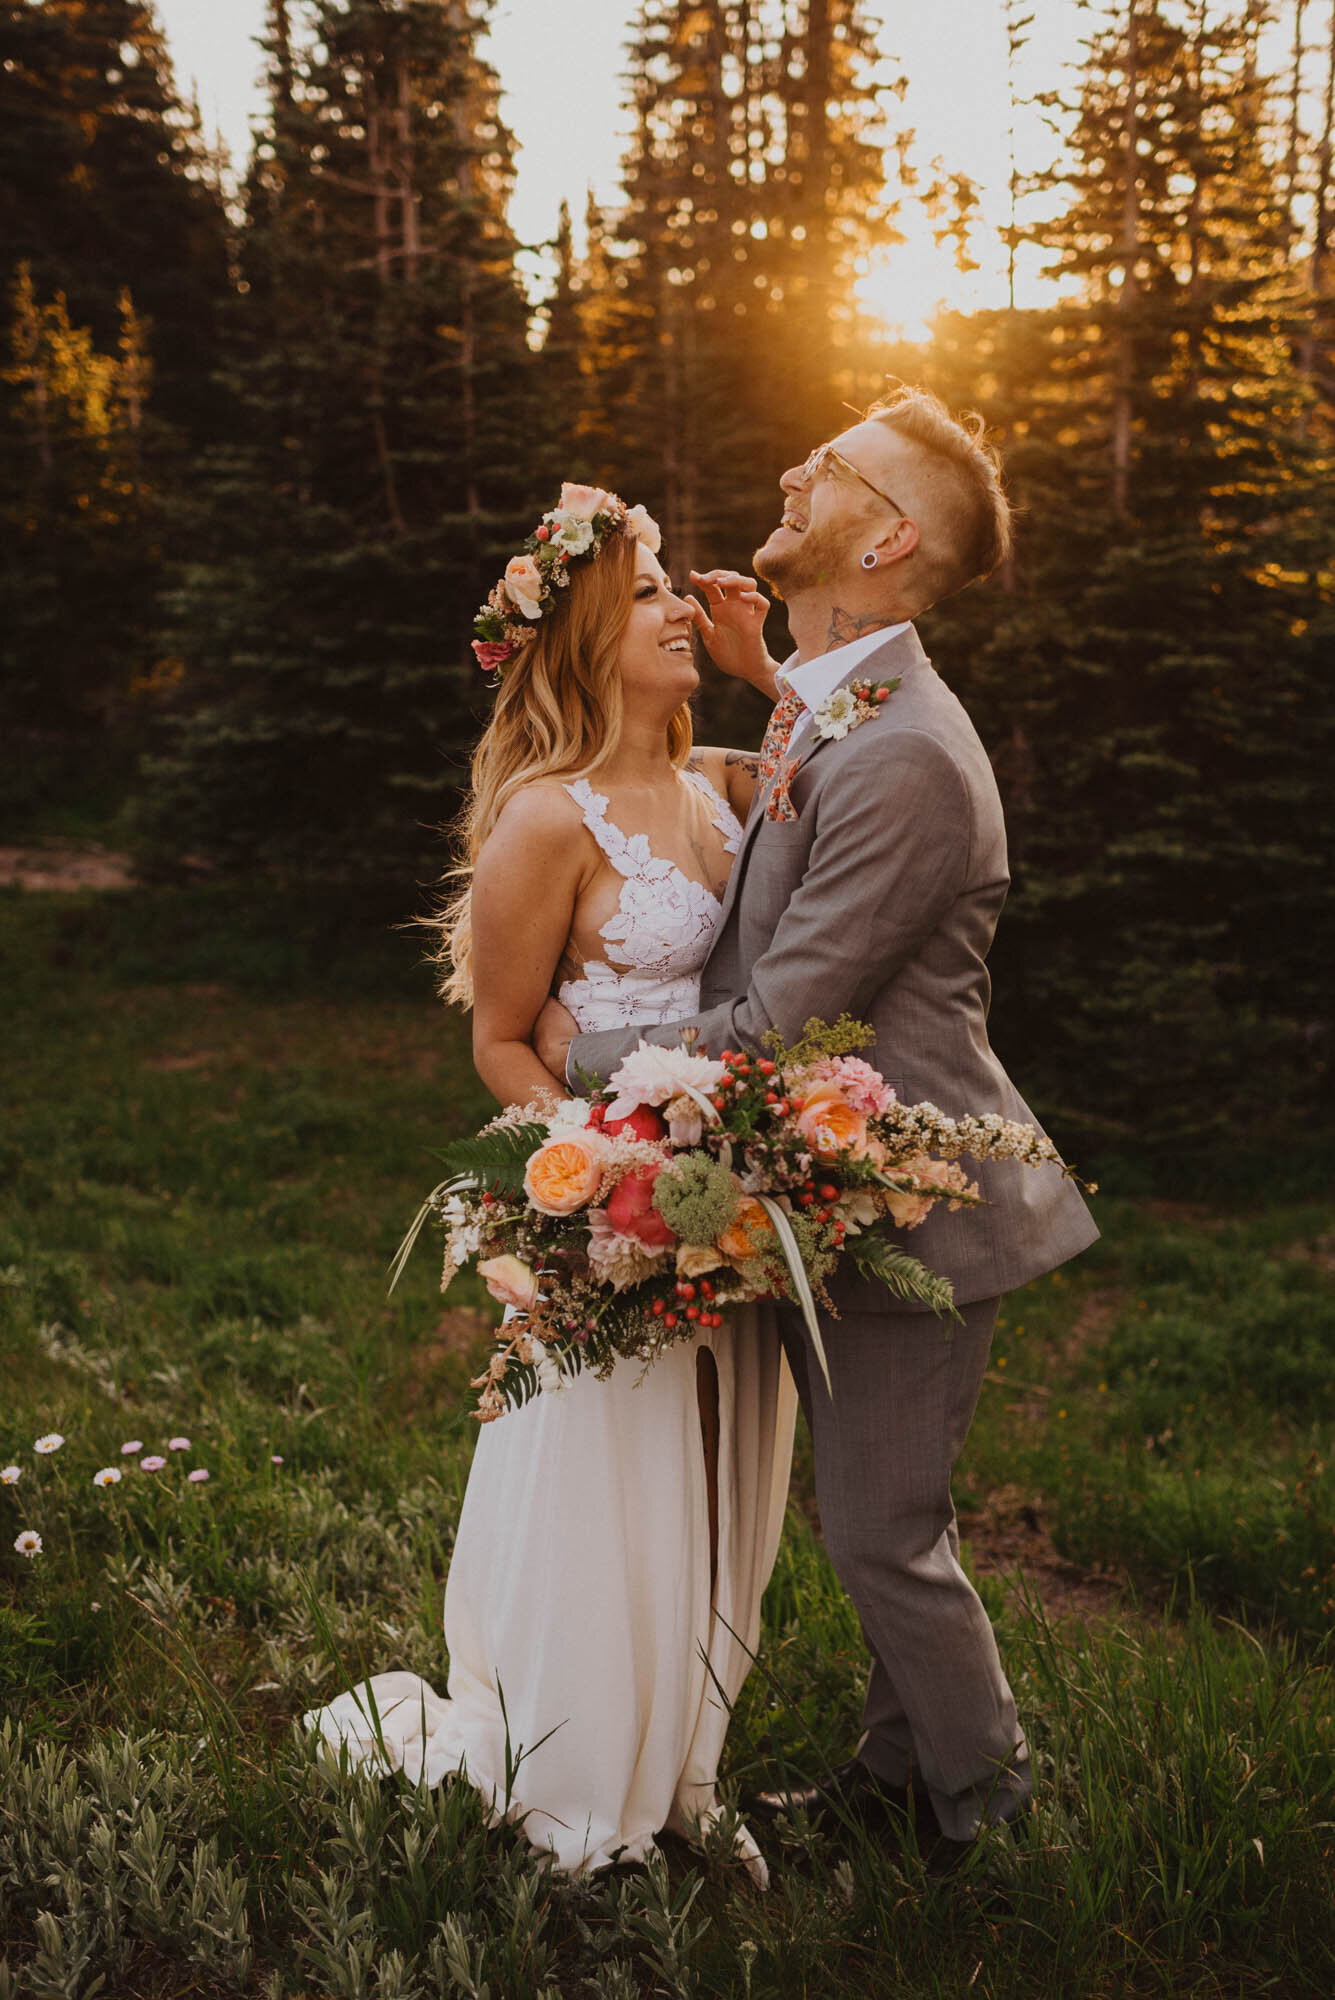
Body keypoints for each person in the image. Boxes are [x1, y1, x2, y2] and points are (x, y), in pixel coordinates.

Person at [536, 387, 1100, 1869]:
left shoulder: (909, 754)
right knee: (885, 1513)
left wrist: (563, 1046)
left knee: (882, 1537)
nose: (795, 466)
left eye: (834, 467)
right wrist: (769, 673)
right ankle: (896, 1777)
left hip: (918, 1204)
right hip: (840, 1186)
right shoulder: (848, 697)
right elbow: (824, 746)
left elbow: (777, 1026)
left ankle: (992, 1818)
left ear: (889, 534)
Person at [306, 486, 797, 1883]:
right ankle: (582, 1779)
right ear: (587, 631)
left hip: (735, 1204)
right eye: (649, 593)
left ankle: (684, 1766)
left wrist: (770, 675)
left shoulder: (725, 785)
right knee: (610, 1485)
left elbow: (835, 774)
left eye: (672, 591)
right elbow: (504, 1041)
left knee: (719, 1479)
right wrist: (604, 1167)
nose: (681, 610)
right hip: (618, 1213)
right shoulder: (545, 818)